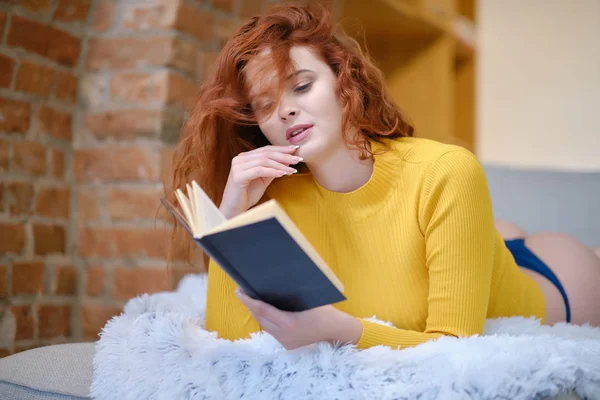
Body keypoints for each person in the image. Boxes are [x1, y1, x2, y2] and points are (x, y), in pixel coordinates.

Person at [167, 4, 600, 350]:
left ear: (344, 79)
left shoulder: (446, 170)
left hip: (557, 279)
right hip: (464, 246)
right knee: (484, 239)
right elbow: (227, 348)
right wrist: (229, 221)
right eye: (264, 104)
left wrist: (339, 329)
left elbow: (455, 351)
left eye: (301, 86)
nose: (285, 110)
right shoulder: (273, 199)